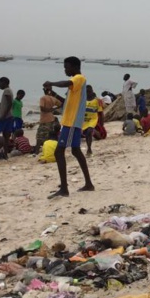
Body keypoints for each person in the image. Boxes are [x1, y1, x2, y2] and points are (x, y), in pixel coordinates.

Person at [43, 57, 95, 199]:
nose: (65, 70)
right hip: (71, 122)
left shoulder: (78, 78)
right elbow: (67, 101)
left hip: (71, 122)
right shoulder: (76, 84)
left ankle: (64, 188)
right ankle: (89, 184)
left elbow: (66, 82)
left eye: (66, 67)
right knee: (76, 151)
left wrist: (51, 83)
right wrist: (52, 93)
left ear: (74, 67)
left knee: (59, 152)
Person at [36, 86, 62, 153]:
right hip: (51, 118)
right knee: (48, 135)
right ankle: (48, 149)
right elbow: (61, 104)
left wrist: (49, 110)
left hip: (44, 119)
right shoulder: (53, 98)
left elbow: (42, 108)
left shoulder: (43, 98)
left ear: (44, 91)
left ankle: (36, 151)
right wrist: (53, 109)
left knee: (39, 136)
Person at [82, 85, 102, 156]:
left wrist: (101, 123)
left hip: (93, 119)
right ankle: (89, 147)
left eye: (89, 91)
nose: (88, 93)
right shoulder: (82, 100)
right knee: (86, 134)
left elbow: (100, 112)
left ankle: (89, 148)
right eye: (86, 92)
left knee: (89, 132)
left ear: (92, 91)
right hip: (84, 120)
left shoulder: (98, 100)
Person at [0, 77, 14, 145]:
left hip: (5, 117)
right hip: (9, 116)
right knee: (6, 136)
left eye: (0, 83)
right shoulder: (10, 90)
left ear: (4, 83)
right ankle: (5, 153)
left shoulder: (6, 91)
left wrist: (3, 115)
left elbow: (9, 103)